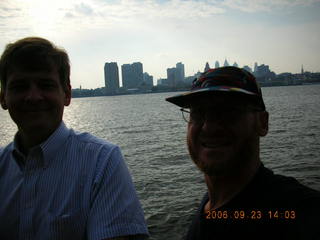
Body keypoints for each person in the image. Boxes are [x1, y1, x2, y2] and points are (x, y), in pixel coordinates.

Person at [0, 37, 149, 240]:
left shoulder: (102, 162)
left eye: (46, 85)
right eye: (19, 87)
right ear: (3, 98)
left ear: (67, 94)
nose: (33, 97)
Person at [166, 66, 320, 240]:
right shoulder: (209, 206)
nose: (209, 126)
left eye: (227, 112)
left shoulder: (299, 211)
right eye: (198, 113)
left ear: (262, 123)